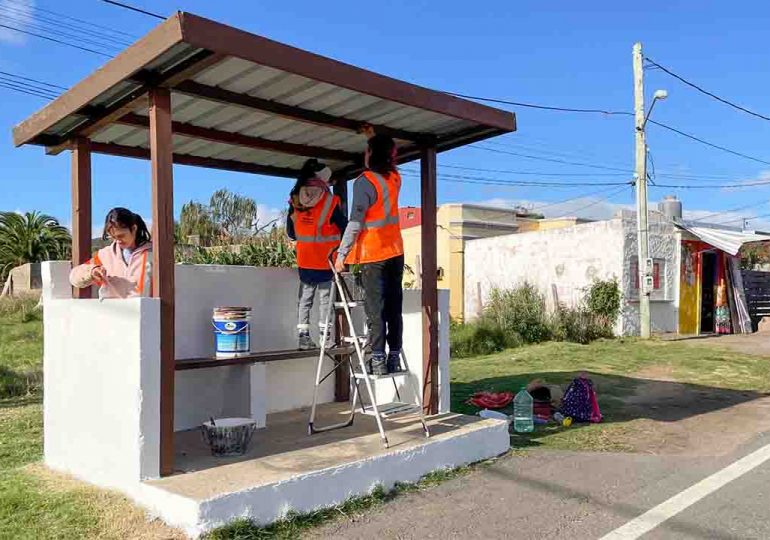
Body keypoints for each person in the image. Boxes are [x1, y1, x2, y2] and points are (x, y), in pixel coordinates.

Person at [335, 128, 404, 375]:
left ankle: (377, 360)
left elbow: (355, 222)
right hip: (395, 251)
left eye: (368, 149)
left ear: (371, 154)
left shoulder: (364, 182)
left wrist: (341, 256)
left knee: (375, 309)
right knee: (394, 307)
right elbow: (385, 155)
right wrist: (373, 137)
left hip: (374, 254)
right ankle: (394, 357)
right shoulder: (394, 178)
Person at [287, 159, 348, 350]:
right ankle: (325, 338)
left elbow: (291, 232)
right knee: (325, 300)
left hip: (304, 259)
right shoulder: (329, 201)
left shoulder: (296, 198)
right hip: (325, 258)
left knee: (305, 299)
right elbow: (345, 228)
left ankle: (303, 337)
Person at [69, 208, 153, 298]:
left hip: (147, 310)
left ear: (134, 228)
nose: (118, 241)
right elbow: (74, 278)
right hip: (113, 310)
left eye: (121, 236)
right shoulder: (106, 255)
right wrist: (91, 272)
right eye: (113, 237)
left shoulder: (153, 255)